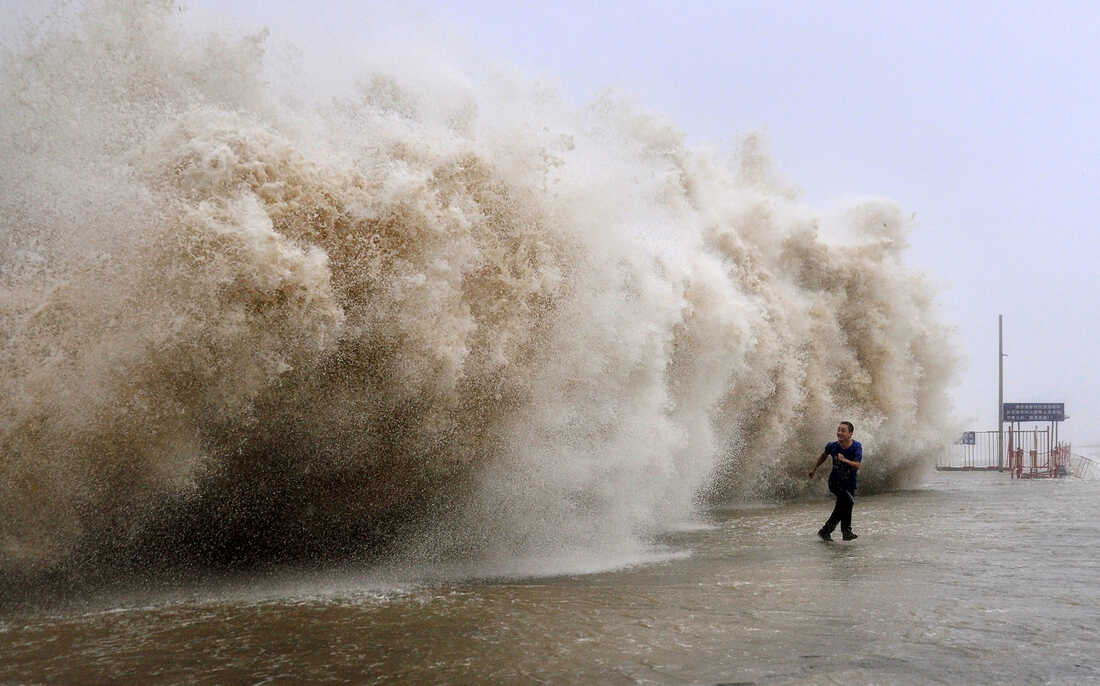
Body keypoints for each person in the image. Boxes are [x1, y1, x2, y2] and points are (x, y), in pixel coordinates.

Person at [808, 421, 863, 541]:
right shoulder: (832, 446)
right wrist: (814, 469)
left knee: (842, 507)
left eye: (843, 431)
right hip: (835, 483)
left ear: (850, 434)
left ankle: (825, 531)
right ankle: (846, 531)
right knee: (848, 502)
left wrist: (845, 460)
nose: (839, 433)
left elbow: (857, 465)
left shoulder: (856, 447)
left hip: (850, 483)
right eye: (838, 430)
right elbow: (823, 456)